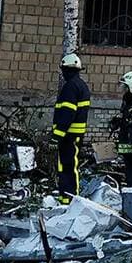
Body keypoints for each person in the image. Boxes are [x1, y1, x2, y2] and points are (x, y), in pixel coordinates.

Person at [52, 53, 92, 203]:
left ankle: (69, 198)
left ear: (67, 70)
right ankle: (65, 197)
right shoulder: (81, 85)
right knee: (67, 166)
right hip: (74, 135)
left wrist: (56, 135)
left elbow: (67, 114)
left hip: (68, 136)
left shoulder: (70, 87)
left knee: (68, 166)